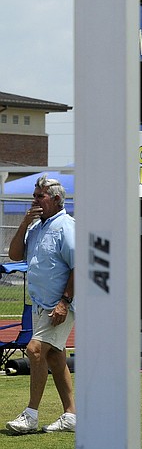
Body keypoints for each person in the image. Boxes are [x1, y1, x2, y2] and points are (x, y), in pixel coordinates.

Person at [5, 175, 76, 434]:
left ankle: (31, 415)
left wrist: (65, 302)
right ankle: (71, 415)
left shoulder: (67, 227)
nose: (35, 201)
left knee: (35, 350)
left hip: (61, 305)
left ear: (56, 199)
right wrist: (24, 222)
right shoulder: (35, 227)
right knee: (56, 357)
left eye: (40, 196)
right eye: (34, 196)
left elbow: (79, 266)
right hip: (41, 304)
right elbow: (14, 255)